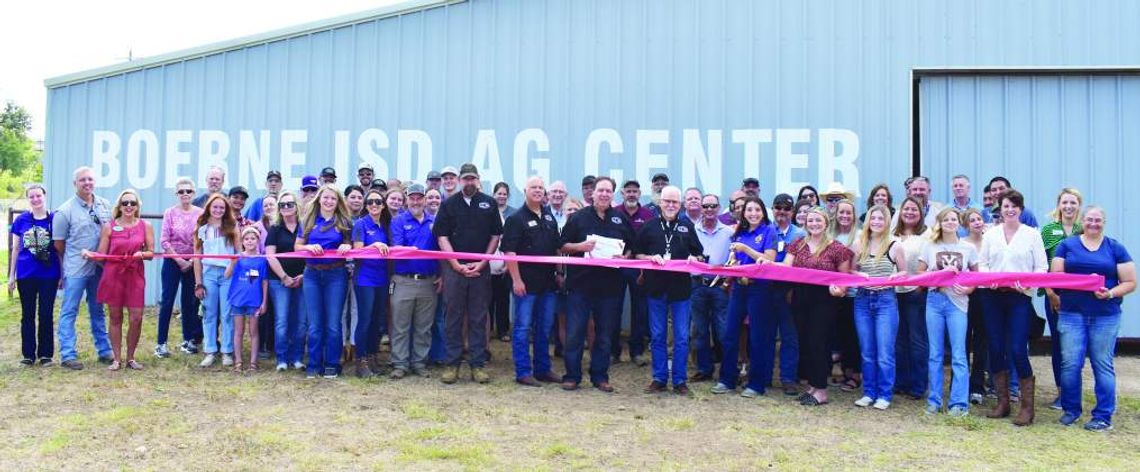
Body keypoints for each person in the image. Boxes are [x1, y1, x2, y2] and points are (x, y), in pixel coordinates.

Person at [1052, 206, 1136, 431]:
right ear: (1083, 220)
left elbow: (1130, 282)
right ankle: (1071, 410)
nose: (1093, 223)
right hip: (1072, 314)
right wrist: (1083, 280)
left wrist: (1109, 293)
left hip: (1105, 316)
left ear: (1104, 222)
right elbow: (1056, 277)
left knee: (1102, 364)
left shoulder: (1115, 247)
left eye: (1098, 220)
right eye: (1090, 219)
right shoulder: (1067, 245)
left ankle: (1103, 415)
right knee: (1070, 364)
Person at [979, 190, 1048, 426]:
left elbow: (1041, 268)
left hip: (1019, 298)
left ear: (1021, 209)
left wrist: (1027, 283)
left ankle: (1027, 408)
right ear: (1000, 208)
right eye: (1006, 205)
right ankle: (1003, 402)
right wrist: (991, 279)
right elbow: (982, 264)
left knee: (1018, 348)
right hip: (992, 296)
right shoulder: (991, 234)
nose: (1010, 209)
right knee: (996, 347)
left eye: (1015, 206)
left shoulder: (1031, 235)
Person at [559, 176, 634, 392]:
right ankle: (572, 375)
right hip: (580, 286)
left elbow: (631, 245)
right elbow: (562, 245)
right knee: (575, 333)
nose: (603, 194)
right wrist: (580, 246)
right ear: (592, 193)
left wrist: (626, 257)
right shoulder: (578, 218)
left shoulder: (619, 219)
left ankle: (600, 376)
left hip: (610, 288)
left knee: (604, 334)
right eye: (600, 190)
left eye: (608, 191)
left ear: (612, 194)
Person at [433, 163, 503, 384]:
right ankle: (452, 364)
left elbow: (495, 235)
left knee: (478, 318)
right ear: (460, 180)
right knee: (452, 317)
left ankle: (478, 364)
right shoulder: (449, 205)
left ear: (478, 180)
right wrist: (454, 264)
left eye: (473, 179)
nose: (469, 182)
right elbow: (441, 236)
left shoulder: (489, 203)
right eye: (466, 179)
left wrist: (483, 263)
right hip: (454, 271)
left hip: (480, 271)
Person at [634, 186, 703, 395]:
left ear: (680, 204)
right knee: (657, 335)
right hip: (655, 289)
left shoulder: (686, 226)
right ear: (659, 203)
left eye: (675, 202)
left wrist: (694, 259)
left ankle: (680, 381)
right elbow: (636, 254)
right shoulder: (648, 226)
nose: (671, 205)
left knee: (682, 336)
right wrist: (649, 258)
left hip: (681, 291)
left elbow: (699, 255)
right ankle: (659, 378)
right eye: (667, 201)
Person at [784, 207, 854, 406]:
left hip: (824, 302)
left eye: (818, 220)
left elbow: (844, 278)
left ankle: (821, 390)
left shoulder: (837, 248)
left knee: (819, 344)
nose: (814, 224)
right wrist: (762, 262)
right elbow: (785, 268)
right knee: (805, 343)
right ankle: (812, 387)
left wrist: (840, 290)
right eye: (811, 220)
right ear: (805, 223)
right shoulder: (797, 244)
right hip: (800, 298)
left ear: (826, 223)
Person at [711, 196, 778, 397]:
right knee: (730, 334)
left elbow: (769, 260)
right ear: (743, 213)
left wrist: (745, 249)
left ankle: (756, 384)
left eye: (757, 210)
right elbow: (735, 259)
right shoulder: (739, 231)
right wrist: (733, 265)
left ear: (763, 212)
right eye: (749, 210)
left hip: (760, 289)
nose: (753, 213)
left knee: (757, 337)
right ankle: (727, 379)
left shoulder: (769, 231)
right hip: (739, 289)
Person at [501, 176, 563, 386]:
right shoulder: (516, 219)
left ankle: (543, 369)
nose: (537, 191)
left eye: (540, 188)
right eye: (533, 187)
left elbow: (556, 248)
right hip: (525, 285)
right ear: (525, 191)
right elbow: (509, 252)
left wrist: (559, 272)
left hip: (548, 285)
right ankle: (523, 372)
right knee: (522, 328)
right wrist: (516, 280)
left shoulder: (548, 217)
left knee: (544, 328)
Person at [917, 208, 979, 416]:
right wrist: (937, 275)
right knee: (935, 354)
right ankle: (934, 400)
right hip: (935, 301)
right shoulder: (930, 246)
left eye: (954, 219)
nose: (950, 222)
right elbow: (920, 273)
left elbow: (976, 277)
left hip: (958, 304)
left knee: (959, 354)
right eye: (946, 219)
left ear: (959, 223)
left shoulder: (968, 247)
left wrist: (969, 289)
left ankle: (959, 403)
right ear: (940, 223)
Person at [52, 166, 114, 370]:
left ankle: (104, 351)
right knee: (70, 310)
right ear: (75, 184)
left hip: (99, 268)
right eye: (82, 180)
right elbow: (59, 244)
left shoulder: (105, 205)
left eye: (90, 179)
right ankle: (68, 354)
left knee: (98, 309)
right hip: (76, 269)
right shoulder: (65, 211)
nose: (87, 183)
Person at [89, 188, 155, 371]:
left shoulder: (145, 226)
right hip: (114, 275)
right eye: (125, 203)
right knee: (115, 316)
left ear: (137, 206)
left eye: (132, 203)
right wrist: (88, 254)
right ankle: (117, 359)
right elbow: (101, 255)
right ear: (119, 205)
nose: (128, 206)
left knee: (136, 317)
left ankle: (131, 357)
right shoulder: (109, 226)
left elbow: (151, 252)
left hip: (135, 274)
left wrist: (141, 254)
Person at [850, 204, 905, 410]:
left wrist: (893, 278)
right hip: (863, 299)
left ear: (887, 221)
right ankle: (869, 392)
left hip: (885, 300)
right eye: (873, 218)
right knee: (866, 350)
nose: (876, 222)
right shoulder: (859, 243)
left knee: (885, 351)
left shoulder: (895, 245)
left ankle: (884, 394)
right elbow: (850, 272)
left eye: (881, 219)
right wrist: (859, 276)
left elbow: (904, 272)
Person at [297, 184, 354, 379]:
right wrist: (309, 246)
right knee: (314, 323)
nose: (329, 201)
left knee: (332, 323)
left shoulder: (344, 222)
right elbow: (297, 246)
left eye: (333, 198)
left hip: (336, 275)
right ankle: (313, 363)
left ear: (338, 202)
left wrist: (347, 246)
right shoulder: (308, 220)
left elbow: (351, 245)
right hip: (312, 275)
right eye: (326, 197)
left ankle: (331, 363)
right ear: (319, 199)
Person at [390, 183, 441, 378]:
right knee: (400, 326)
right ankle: (400, 364)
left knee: (424, 327)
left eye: (420, 197)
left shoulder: (435, 222)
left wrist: (442, 275)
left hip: (429, 281)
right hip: (404, 280)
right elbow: (398, 248)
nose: (416, 201)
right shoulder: (398, 221)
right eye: (412, 197)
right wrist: (416, 251)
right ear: (406, 200)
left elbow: (441, 252)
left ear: (426, 200)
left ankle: (419, 363)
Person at [9, 184, 61, 366]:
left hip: (49, 274)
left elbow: (60, 249)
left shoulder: (55, 219)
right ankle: (28, 354)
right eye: (31, 197)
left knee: (46, 313)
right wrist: (11, 276)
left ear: (44, 196)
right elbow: (15, 248)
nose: (35, 199)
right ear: (28, 199)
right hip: (26, 274)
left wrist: (62, 274)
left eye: (38, 196)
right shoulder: (21, 220)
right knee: (27, 314)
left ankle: (46, 354)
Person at [1041, 187, 1083, 410]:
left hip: (1080, 297)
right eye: (1065, 202)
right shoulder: (1048, 230)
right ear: (1058, 205)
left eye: (1073, 203)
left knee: (1075, 345)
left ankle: (1073, 392)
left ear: (1079, 206)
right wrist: (1050, 294)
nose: (1068, 207)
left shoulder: (1084, 229)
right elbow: (1041, 263)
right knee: (1058, 344)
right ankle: (1061, 393)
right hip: (1055, 294)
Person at [157, 178, 204, 358]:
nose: (185, 194)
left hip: (194, 261)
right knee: (167, 300)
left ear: (194, 193)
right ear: (176, 194)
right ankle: (161, 343)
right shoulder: (170, 213)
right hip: (172, 261)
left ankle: (189, 340)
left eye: (188, 191)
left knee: (190, 302)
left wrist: (192, 260)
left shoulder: (200, 214)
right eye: (181, 191)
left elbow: (202, 240)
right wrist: (179, 260)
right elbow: (164, 240)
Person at [690, 193, 733, 383]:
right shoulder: (692, 230)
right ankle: (704, 369)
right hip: (697, 285)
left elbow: (735, 259)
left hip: (719, 286)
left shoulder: (729, 232)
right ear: (700, 208)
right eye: (705, 206)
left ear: (718, 208)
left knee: (723, 330)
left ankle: (726, 371)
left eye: (712, 206)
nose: (708, 210)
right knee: (699, 331)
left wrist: (726, 281)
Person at [193, 193, 240, 368]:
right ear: (209, 208)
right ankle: (210, 350)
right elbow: (197, 256)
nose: (218, 210)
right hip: (209, 274)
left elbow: (238, 252)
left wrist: (231, 266)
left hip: (228, 274)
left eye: (222, 207)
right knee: (209, 313)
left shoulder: (232, 226)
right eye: (215, 207)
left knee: (227, 313)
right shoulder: (202, 228)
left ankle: (227, 351)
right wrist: (198, 282)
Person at [351, 188, 392, 377]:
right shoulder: (360, 224)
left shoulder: (385, 225)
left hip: (382, 277)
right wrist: (374, 245)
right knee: (365, 319)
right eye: (370, 202)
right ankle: (361, 361)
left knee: (378, 320)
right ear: (366, 206)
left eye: (377, 202)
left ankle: (373, 357)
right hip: (365, 278)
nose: (374, 205)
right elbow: (357, 251)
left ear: (383, 205)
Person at [893, 196, 930, 401]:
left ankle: (918, 384)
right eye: (906, 209)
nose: (909, 212)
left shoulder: (927, 235)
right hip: (893, 293)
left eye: (914, 209)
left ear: (921, 213)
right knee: (899, 340)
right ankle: (901, 382)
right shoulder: (892, 234)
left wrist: (921, 286)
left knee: (917, 339)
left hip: (916, 293)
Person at [769, 194, 806, 395]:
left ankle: (788, 378)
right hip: (766, 288)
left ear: (792, 212)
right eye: (778, 208)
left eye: (786, 208)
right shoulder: (766, 230)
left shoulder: (800, 234)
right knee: (764, 335)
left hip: (789, 291)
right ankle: (764, 376)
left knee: (789, 336)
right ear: (773, 209)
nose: (781, 212)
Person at [266, 190, 306, 372]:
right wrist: (284, 277)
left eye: (290, 204)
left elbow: (311, 253)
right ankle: (282, 358)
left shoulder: (305, 227)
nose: (286, 208)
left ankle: (297, 357)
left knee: (300, 321)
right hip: (278, 280)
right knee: (281, 320)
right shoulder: (274, 229)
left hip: (304, 279)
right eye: (282, 205)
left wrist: (304, 275)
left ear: (296, 207)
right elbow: (270, 256)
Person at [615, 179, 654, 365]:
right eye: (628, 191)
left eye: (635, 191)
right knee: (613, 309)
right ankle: (613, 352)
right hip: (616, 268)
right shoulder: (614, 213)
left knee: (640, 310)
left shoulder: (648, 215)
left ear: (640, 194)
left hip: (640, 268)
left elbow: (652, 240)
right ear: (622, 193)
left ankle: (636, 352)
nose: (631, 194)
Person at [227, 226, 268, 372]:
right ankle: (238, 361)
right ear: (242, 241)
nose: (250, 241)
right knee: (238, 331)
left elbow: (264, 281)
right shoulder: (238, 258)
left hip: (254, 301)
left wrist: (264, 301)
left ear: (258, 240)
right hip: (238, 300)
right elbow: (227, 275)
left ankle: (253, 363)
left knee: (254, 332)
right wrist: (232, 263)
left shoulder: (262, 260)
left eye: (253, 238)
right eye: (247, 239)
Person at [962, 208, 990, 405]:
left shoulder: (991, 241)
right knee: (962, 340)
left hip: (986, 295)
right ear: (966, 225)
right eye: (972, 220)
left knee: (982, 341)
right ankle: (961, 384)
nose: (977, 222)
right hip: (965, 295)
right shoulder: (962, 245)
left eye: (979, 219)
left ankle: (978, 386)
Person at [489, 182, 517, 342]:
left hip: (505, 263)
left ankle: (503, 330)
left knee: (503, 298)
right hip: (489, 263)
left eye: (504, 193)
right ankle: (489, 328)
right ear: (494, 195)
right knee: (488, 300)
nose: (501, 196)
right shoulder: (489, 212)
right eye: (499, 193)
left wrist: (508, 264)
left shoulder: (513, 214)